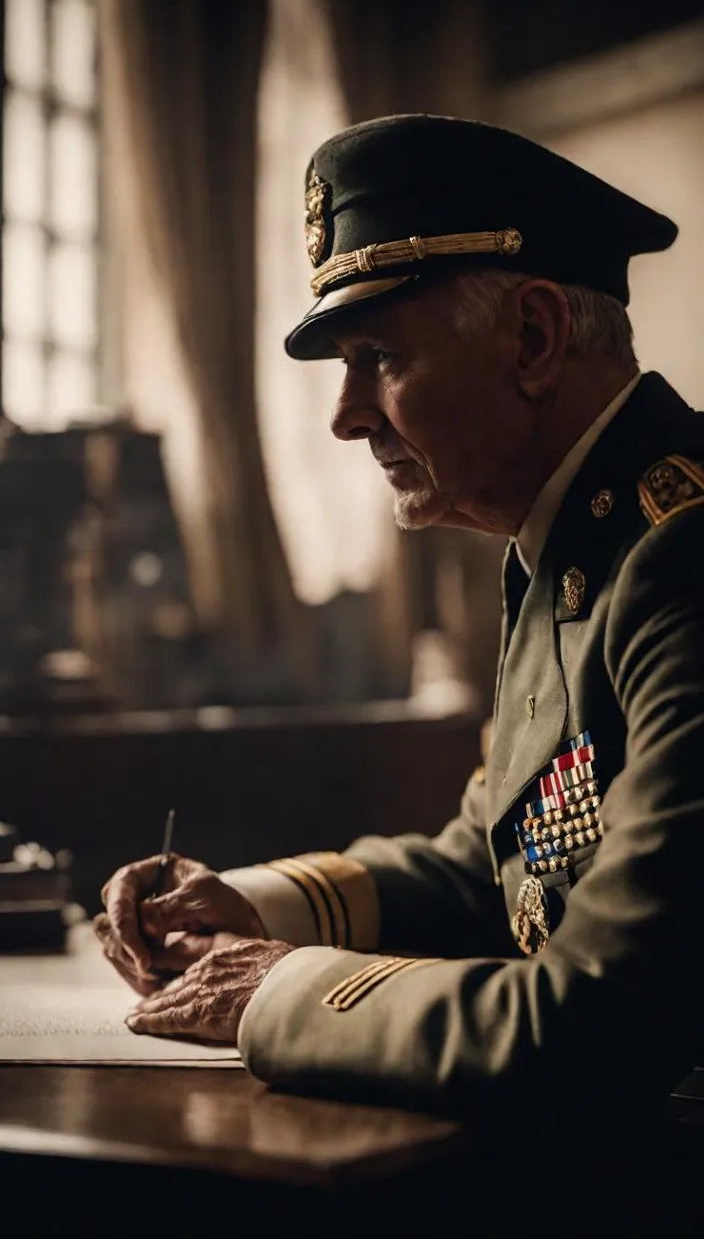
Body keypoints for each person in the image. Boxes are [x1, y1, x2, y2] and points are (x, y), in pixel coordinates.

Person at [96, 116, 704, 1129]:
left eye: (376, 355)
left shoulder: (676, 555)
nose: (344, 415)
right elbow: (494, 862)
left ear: (532, 338)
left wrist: (277, 990)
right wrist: (249, 904)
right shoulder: (574, 537)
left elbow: (603, 1016)